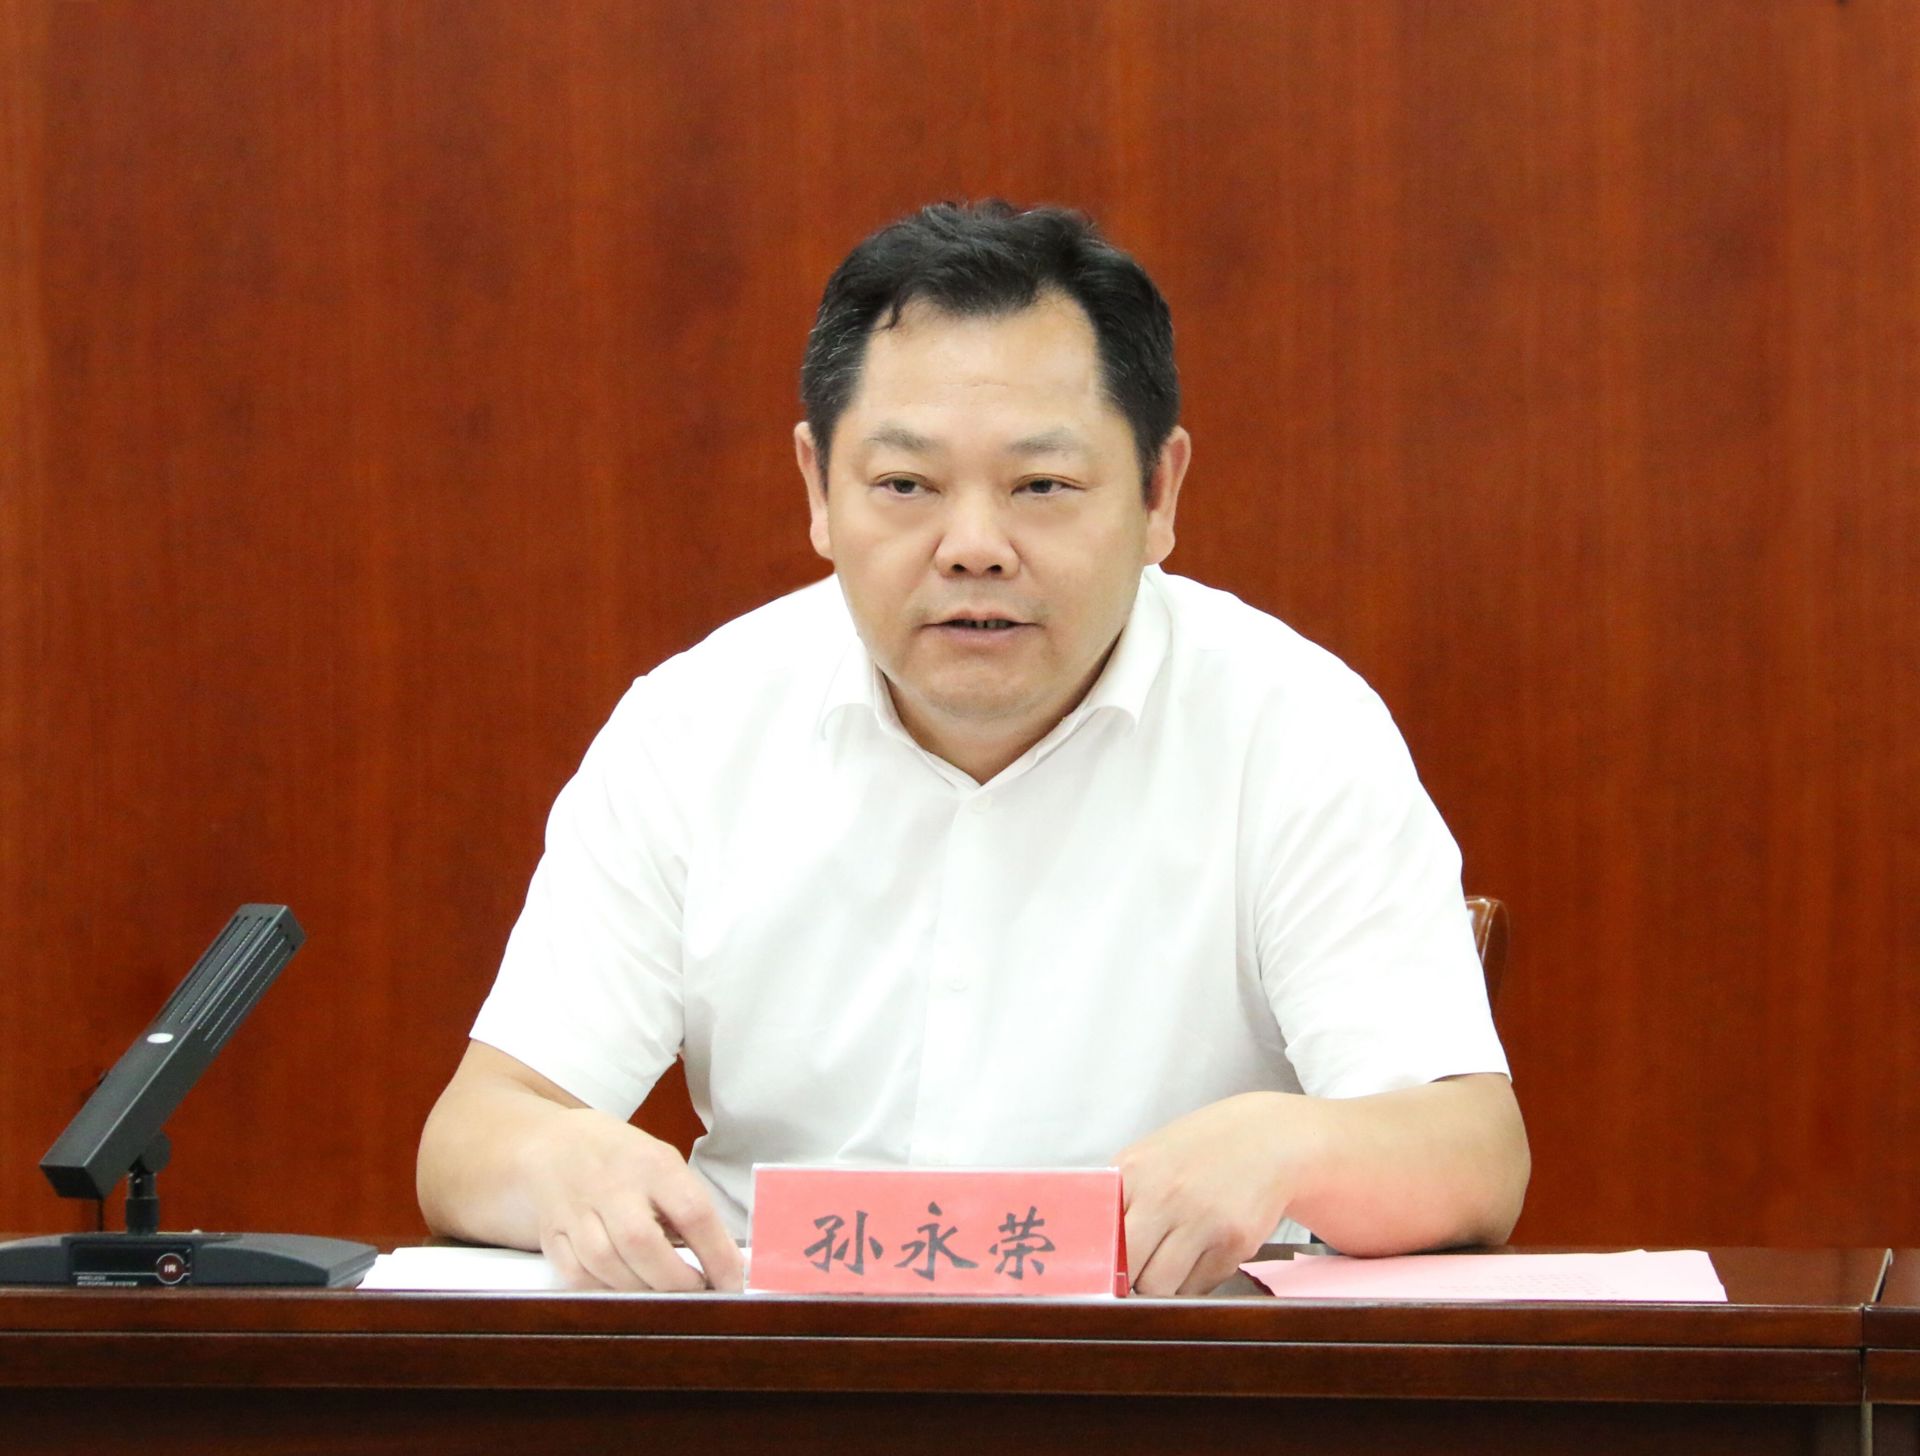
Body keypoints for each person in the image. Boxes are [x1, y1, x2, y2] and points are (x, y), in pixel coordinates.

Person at [416, 201, 1529, 1297]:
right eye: (905, 486)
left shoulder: (1292, 725)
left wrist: (1291, 1145)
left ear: (1158, 493)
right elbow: (475, 1134)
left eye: (1042, 486)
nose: (974, 547)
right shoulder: (695, 725)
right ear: (817, 487)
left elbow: (1473, 1154)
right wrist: (557, 1160)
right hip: (781, 1368)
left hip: (1161, 1366)